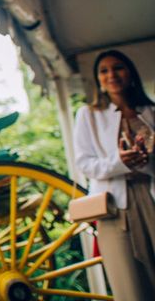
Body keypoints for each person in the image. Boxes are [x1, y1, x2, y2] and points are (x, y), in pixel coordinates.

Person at [74, 49, 155, 300]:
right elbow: (84, 163)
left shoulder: (151, 111)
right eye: (104, 70)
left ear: (130, 72)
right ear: (98, 79)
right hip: (113, 206)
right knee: (128, 283)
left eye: (118, 67)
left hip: (151, 196)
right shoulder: (88, 115)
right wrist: (119, 162)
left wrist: (145, 160)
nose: (112, 75)